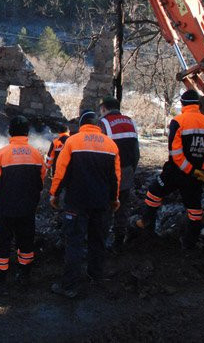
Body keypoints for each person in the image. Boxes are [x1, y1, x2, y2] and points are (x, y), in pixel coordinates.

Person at [131, 89, 204, 249]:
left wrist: (189, 170)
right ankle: (189, 242)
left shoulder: (178, 121)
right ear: (198, 104)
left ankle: (146, 224)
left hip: (175, 172)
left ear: (182, 104)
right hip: (197, 176)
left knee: (153, 192)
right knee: (195, 209)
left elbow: (176, 153)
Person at [49, 110, 121, 299]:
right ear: (99, 126)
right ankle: (95, 276)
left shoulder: (72, 141)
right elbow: (115, 177)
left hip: (76, 202)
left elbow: (60, 171)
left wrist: (54, 194)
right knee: (98, 241)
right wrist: (115, 199)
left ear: (82, 124)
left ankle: (69, 286)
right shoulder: (111, 145)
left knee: (75, 243)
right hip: (102, 202)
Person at [0, 115, 45, 289]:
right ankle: (24, 275)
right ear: (27, 133)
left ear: (10, 132)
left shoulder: (3, 153)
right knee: (26, 242)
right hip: (27, 208)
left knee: (1, 243)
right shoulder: (36, 154)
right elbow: (42, 179)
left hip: (5, 208)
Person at [98, 96, 140, 251]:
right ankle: (119, 241)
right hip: (127, 170)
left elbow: (100, 152)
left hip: (109, 174)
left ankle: (102, 241)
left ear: (104, 108)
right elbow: (136, 151)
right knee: (122, 207)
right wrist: (131, 170)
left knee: (106, 208)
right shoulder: (130, 122)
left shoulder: (103, 123)